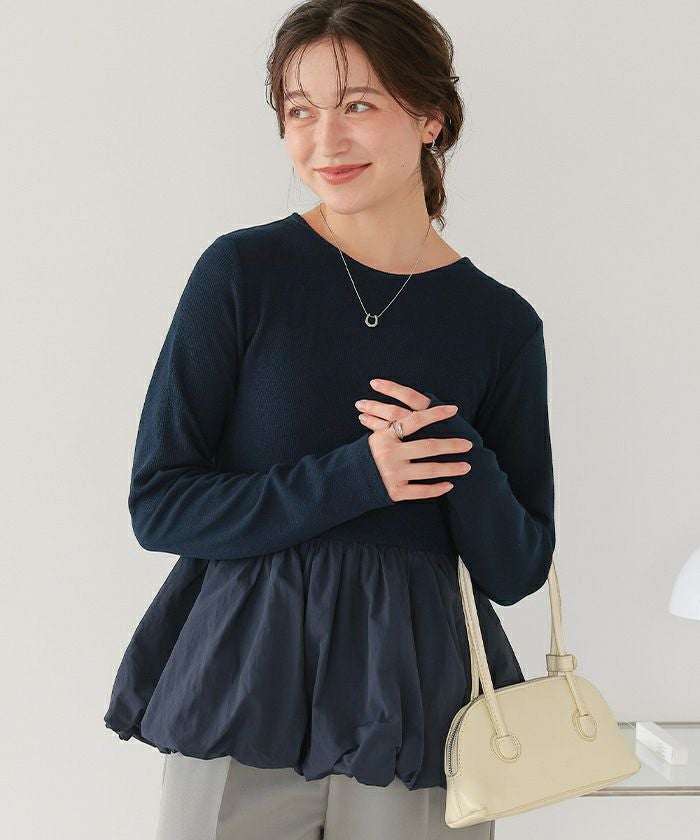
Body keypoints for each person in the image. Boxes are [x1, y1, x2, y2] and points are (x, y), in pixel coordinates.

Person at [103, 1, 556, 838]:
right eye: (300, 111)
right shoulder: (244, 273)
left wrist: (457, 453)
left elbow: (519, 567)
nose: (324, 140)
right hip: (241, 687)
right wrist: (357, 476)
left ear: (430, 116)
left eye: (358, 104)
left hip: (414, 708)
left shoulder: (500, 324)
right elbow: (160, 503)